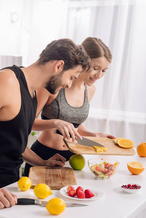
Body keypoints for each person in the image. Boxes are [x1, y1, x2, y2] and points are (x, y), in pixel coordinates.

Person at [0, 38, 90, 210]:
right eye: (71, 77)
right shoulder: (4, 81)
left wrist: (41, 162)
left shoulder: (32, 92)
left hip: (9, 188)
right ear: (59, 66)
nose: (69, 84)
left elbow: (14, 142)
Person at [24, 37, 116, 176]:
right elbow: (28, 123)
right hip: (44, 154)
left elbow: (73, 125)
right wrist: (55, 123)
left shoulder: (90, 90)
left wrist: (94, 135)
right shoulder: (54, 84)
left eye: (104, 70)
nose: (99, 75)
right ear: (83, 61)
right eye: (95, 68)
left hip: (72, 157)